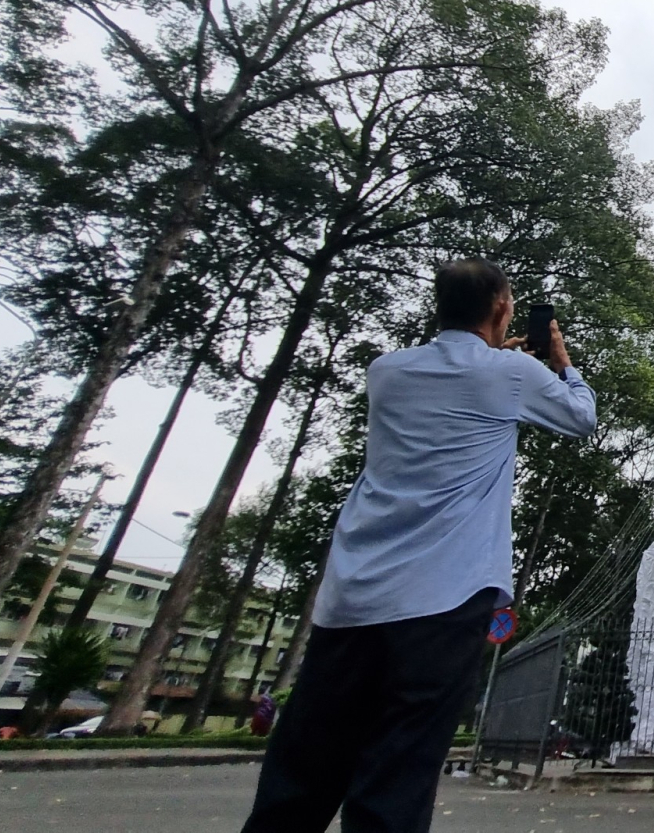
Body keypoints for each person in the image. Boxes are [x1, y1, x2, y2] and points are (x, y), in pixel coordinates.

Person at [241, 259, 595, 833]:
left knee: (303, 768)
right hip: (444, 596)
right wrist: (561, 365)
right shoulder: (510, 373)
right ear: (502, 308)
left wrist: (501, 358)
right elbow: (581, 419)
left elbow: (461, 383)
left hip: (353, 595)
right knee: (396, 775)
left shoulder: (388, 371)